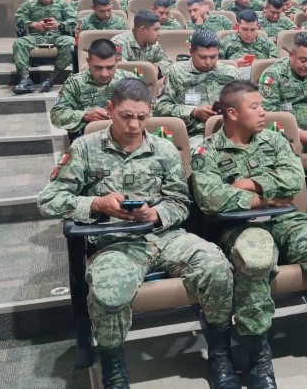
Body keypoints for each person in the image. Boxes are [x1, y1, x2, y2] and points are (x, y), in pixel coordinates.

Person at [37, 79, 239, 389]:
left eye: (142, 117)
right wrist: (96, 203)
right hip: (114, 242)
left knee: (218, 268)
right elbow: (48, 200)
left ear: (150, 112)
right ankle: (115, 369)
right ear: (110, 109)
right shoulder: (85, 148)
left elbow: (180, 202)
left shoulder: (164, 149)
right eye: (126, 116)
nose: (134, 125)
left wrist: (155, 213)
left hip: (166, 236)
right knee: (108, 291)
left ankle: (220, 353)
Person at [191, 80, 307, 389]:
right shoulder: (208, 151)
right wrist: (265, 200)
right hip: (240, 227)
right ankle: (259, 357)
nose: (263, 112)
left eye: (262, 105)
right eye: (255, 107)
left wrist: (249, 185)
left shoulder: (274, 139)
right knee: (254, 258)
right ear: (232, 113)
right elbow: (211, 198)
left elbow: (293, 179)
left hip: (287, 220)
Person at [155, 29, 241, 148]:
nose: (208, 62)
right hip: (195, 134)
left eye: (213, 57)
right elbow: (160, 108)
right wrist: (193, 112)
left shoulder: (231, 73)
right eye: (203, 57)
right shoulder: (176, 72)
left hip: (230, 131)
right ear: (191, 52)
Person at [50, 39, 137, 139]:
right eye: (98, 68)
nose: (104, 74)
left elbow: (148, 109)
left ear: (117, 61)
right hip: (89, 139)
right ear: (88, 61)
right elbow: (57, 115)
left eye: (110, 67)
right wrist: (85, 116)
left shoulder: (130, 80)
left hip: (126, 136)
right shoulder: (75, 83)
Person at [12, 0, 76, 95]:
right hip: (36, 36)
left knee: (70, 42)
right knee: (19, 43)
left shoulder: (63, 3)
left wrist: (59, 25)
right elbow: (18, 18)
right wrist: (32, 24)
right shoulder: (29, 4)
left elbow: (74, 20)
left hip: (57, 35)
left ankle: (52, 79)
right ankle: (25, 80)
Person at [111, 9, 172, 79]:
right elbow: (121, 68)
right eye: (156, 29)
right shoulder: (118, 43)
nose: (159, 34)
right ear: (142, 30)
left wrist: (158, 68)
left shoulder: (153, 44)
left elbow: (168, 62)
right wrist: (148, 71)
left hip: (149, 83)